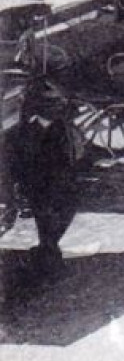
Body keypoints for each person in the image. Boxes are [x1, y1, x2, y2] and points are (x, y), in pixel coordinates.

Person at [10, 79, 76, 278]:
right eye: (52, 103)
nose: (59, 105)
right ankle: (48, 257)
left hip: (58, 179)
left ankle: (48, 252)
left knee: (60, 214)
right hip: (40, 183)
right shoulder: (29, 131)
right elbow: (23, 160)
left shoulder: (57, 124)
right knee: (48, 217)